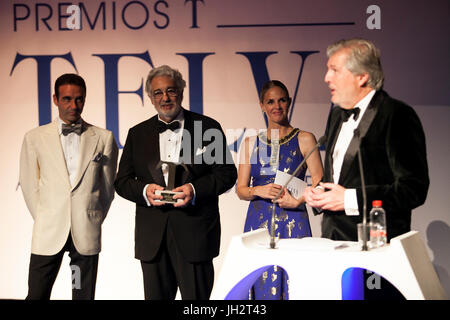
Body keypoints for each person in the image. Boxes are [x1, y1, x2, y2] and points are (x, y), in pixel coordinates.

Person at [304, 39, 429, 299]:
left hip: (377, 254)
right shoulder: (337, 114)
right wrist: (320, 193)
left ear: (362, 77)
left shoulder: (396, 115)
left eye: (334, 70)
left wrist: (349, 198)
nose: (326, 78)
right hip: (333, 245)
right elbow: (339, 177)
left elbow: (413, 189)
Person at [114, 65, 237, 300]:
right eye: (158, 93)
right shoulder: (137, 134)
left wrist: (194, 190)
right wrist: (144, 191)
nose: (165, 98)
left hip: (196, 236)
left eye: (171, 91)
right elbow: (122, 182)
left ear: (181, 92)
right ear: (150, 98)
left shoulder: (207, 128)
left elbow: (226, 174)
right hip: (152, 241)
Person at [19, 73, 118, 300]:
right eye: (66, 99)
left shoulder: (103, 138)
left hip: (84, 233)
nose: (74, 105)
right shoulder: (34, 137)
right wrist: (46, 215)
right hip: (48, 232)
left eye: (79, 99)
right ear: (55, 99)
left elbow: (107, 188)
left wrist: (90, 215)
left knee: (81, 295)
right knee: (37, 294)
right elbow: (29, 185)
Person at [236, 80, 323, 299]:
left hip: (295, 221)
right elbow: (241, 189)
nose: (277, 106)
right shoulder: (250, 143)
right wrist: (259, 190)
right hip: (259, 225)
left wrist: (298, 200)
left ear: (289, 102)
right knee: (262, 283)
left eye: (282, 100)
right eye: (270, 101)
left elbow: (320, 183)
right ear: (262, 105)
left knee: (296, 284)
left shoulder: (305, 138)